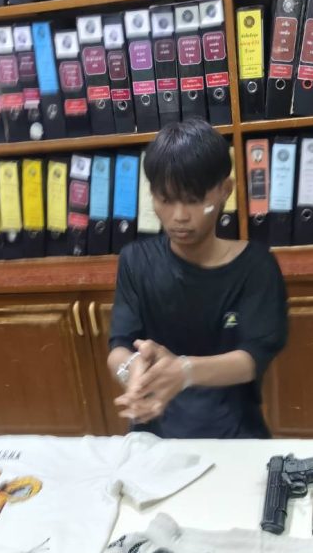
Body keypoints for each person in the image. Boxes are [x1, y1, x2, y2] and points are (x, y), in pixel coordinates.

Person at [108, 119, 288, 439]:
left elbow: (253, 357)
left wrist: (185, 371)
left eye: (193, 200)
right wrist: (134, 374)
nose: (179, 216)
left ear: (225, 191)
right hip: (153, 430)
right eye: (166, 200)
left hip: (234, 432)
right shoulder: (136, 261)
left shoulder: (256, 266)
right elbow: (119, 347)